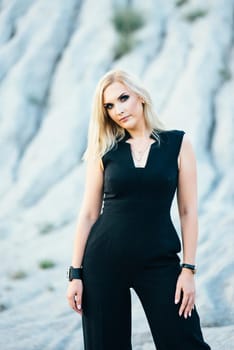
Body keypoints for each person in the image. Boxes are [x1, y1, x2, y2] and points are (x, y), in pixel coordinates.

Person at [66, 69, 211, 350]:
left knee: (184, 342)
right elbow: (88, 214)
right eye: (109, 106)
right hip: (103, 262)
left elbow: (188, 211)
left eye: (123, 98)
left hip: (159, 261)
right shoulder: (104, 150)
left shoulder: (178, 143)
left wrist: (188, 270)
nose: (118, 110)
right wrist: (75, 274)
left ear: (140, 96)